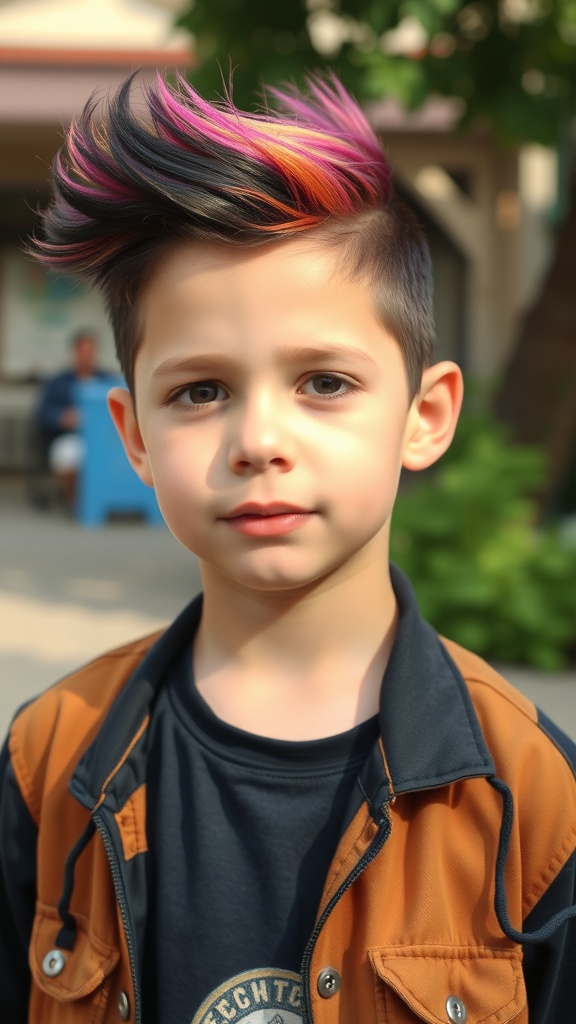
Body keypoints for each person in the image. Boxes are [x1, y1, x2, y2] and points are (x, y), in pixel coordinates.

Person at [0, 72, 574, 1024]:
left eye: (323, 382)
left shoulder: (530, 792)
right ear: (134, 436)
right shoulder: (48, 760)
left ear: (424, 416)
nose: (258, 439)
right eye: (200, 392)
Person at [35, 330, 107, 507]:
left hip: (104, 438)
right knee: (68, 455)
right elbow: (43, 412)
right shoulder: (58, 382)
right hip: (72, 436)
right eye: (82, 352)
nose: (86, 356)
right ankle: (76, 502)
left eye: (90, 352)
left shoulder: (107, 380)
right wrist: (62, 417)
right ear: (75, 353)